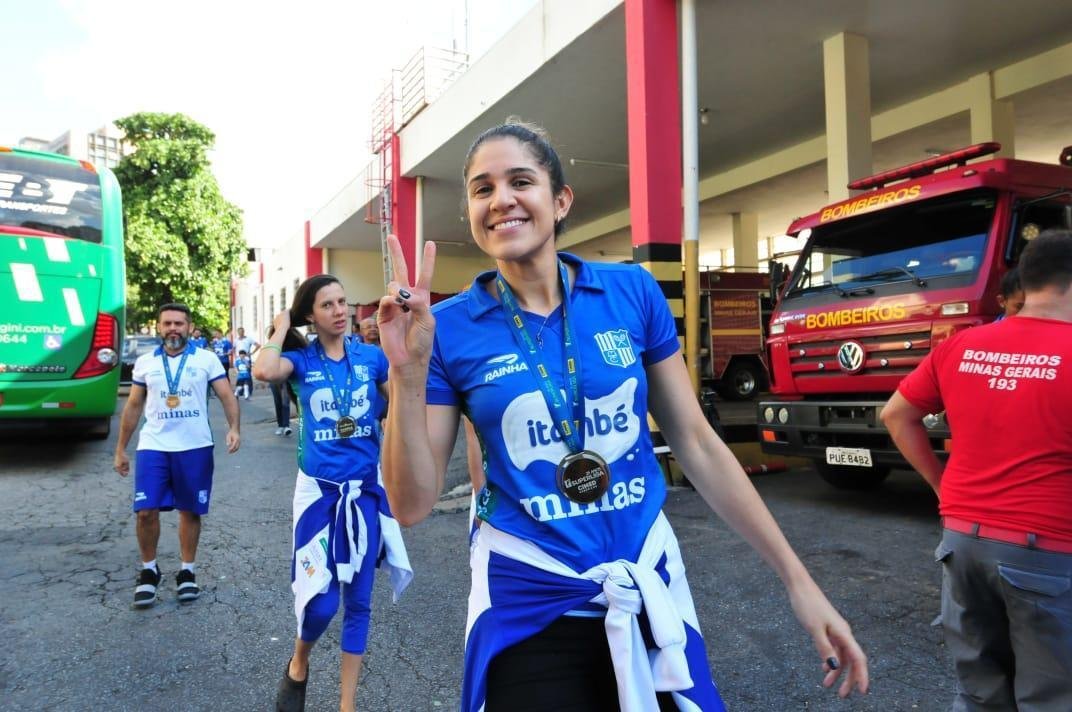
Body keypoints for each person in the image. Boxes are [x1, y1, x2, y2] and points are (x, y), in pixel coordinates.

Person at [378, 121, 868, 711]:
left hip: (645, 576)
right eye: (482, 189)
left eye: (520, 181)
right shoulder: (449, 328)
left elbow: (697, 442)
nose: (501, 199)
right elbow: (409, 505)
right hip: (528, 596)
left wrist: (797, 579)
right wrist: (406, 375)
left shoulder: (632, 291)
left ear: (560, 202)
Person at [881, 228, 1072, 711]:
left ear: (1025, 284)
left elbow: (895, 414)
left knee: (979, 692)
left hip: (962, 543)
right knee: (1053, 697)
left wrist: (943, 489)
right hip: (1047, 552)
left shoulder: (962, 346)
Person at [253, 275, 412, 712]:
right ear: (311, 315)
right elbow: (264, 370)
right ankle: (299, 660)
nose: (341, 311)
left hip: (364, 492)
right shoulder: (301, 362)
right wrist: (281, 327)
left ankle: (347, 706)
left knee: (359, 602)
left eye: (343, 302)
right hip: (318, 495)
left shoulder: (371, 358)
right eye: (328, 305)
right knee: (321, 604)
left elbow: (401, 402)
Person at [113, 303, 241, 607]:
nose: (173, 328)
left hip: (195, 446)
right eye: (167, 323)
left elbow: (226, 395)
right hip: (154, 446)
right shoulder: (145, 363)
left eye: (179, 323)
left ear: (189, 326)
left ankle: (187, 571)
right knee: (145, 511)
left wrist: (234, 427)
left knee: (190, 510)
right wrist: (121, 448)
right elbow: (132, 407)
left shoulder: (207, 359)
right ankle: (149, 571)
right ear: (159, 327)